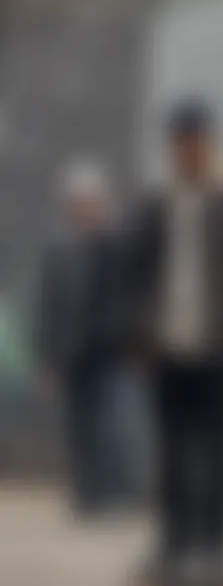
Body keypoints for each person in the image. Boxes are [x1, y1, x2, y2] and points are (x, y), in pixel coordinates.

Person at [125, 97, 223, 586]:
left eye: (197, 140)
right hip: (167, 346)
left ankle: (216, 549)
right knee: (170, 449)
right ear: (172, 147)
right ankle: (173, 543)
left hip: (220, 346)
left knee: (219, 450)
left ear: (212, 142)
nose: (190, 151)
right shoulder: (156, 201)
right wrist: (138, 334)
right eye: (181, 142)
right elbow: (135, 272)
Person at [36, 160, 141, 516]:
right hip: (72, 351)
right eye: (78, 202)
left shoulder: (118, 245)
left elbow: (131, 298)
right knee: (79, 426)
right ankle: (86, 494)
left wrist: (133, 342)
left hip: (111, 350)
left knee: (113, 426)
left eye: (91, 201)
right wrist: (47, 356)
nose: (85, 209)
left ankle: (117, 495)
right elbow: (48, 304)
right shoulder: (59, 251)